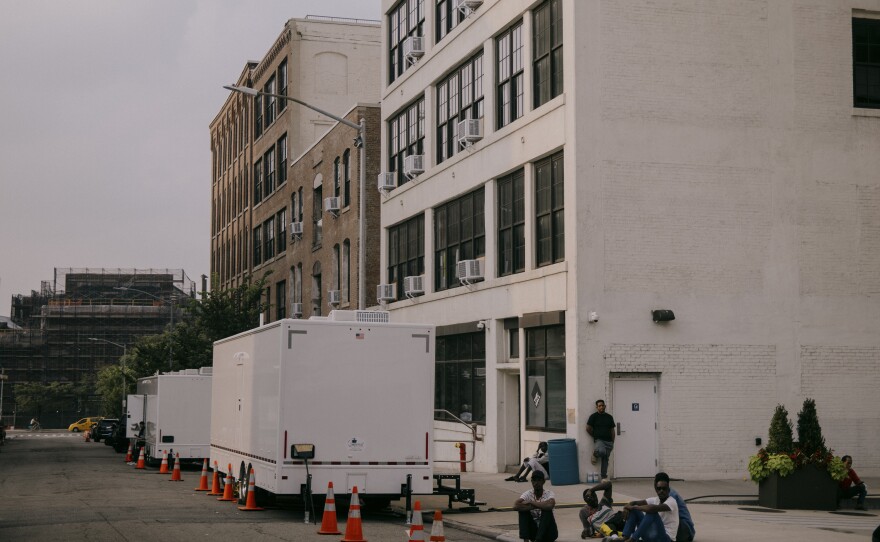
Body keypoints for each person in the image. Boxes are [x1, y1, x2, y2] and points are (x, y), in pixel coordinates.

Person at [620, 472, 679, 542]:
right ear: (656, 490)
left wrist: (632, 507)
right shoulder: (655, 499)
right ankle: (625, 537)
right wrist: (627, 507)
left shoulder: (672, 502)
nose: (661, 491)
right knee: (635, 510)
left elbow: (652, 508)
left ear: (668, 490)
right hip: (654, 535)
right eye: (659, 489)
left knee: (651, 512)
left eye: (664, 489)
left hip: (666, 539)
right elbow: (634, 503)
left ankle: (633, 539)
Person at [513, 469, 558, 542]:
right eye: (534, 480)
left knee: (547, 511)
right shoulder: (528, 493)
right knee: (522, 511)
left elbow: (550, 506)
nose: (536, 483)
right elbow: (515, 506)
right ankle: (526, 540)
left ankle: (538, 540)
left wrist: (531, 502)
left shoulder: (549, 493)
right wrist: (541, 505)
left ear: (543, 481)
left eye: (539, 480)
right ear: (532, 482)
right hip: (534, 532)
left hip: (549, 532)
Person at [586, 399, 615, 481]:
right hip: (599, 440)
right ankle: (595, 454)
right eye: (599, 406)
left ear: (605, 406)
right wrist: (595, 435)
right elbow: (588, 428)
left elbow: (612, 430)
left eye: (602, 405)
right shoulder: (593, 416)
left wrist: (613, 442)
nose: (601, 407)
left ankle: (603, 476)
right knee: (602, 451)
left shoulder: (609, 417)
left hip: (609, 442)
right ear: (596, 407)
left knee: (605, 459)